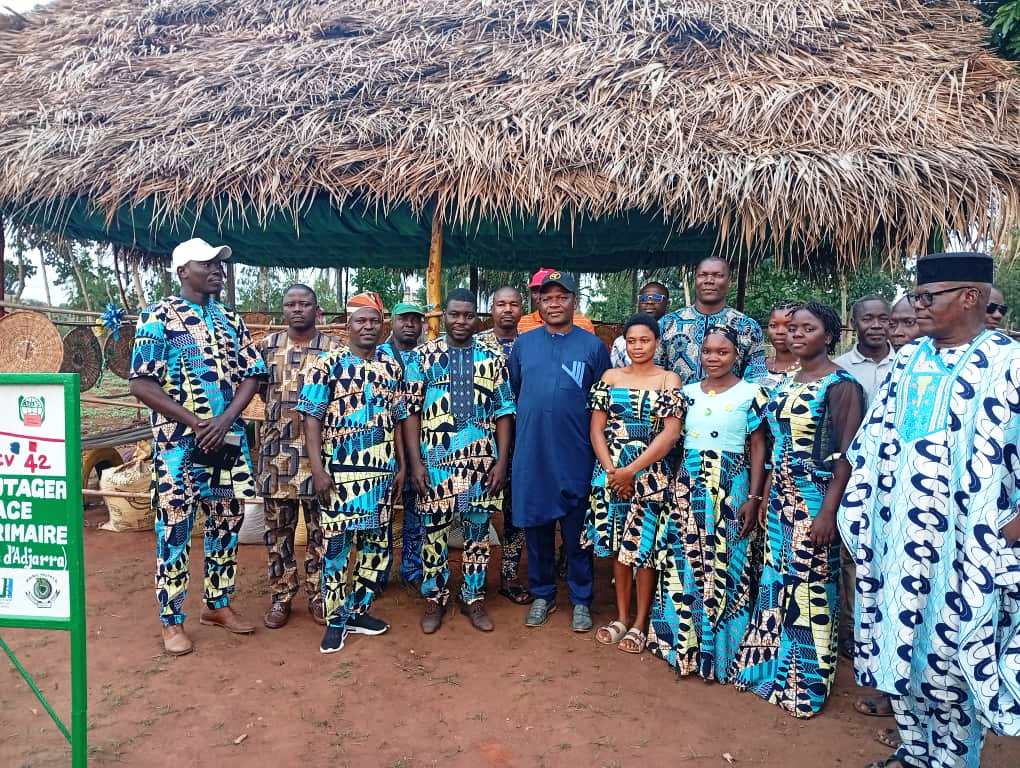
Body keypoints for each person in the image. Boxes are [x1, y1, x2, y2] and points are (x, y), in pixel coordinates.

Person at [838, 252, 1020, 768]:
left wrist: (1011, 527)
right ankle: (915, 752)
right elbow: (872, 442)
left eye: (926, 297)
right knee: (899, 650)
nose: (916, 306)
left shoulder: (1010, 362)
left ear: (969, 296)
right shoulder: (907, 360)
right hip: (897, 539)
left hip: (968, 546)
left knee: (953, 660)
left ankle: (953, 760)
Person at [129, 238, 266, 656]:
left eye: (219, 264)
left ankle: (217, 604)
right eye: (206, 264)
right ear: (182, 271)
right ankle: (171, 620)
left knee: (226, 520)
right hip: (178, 446)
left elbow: (253, 373)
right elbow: (141, 384)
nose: (217, 270)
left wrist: (224, 421)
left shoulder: (230, 319)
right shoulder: (157, 317)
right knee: (175, 526)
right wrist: (194, 422)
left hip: (227, 442)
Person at [733, 302, 864, 718]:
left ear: (829, 335)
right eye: (793, 328)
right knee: (776, 582)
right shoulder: (788, 380)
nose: (797, 335)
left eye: (808, 328)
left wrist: (828, 513)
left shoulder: (841, 385)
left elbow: (847, 456)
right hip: (779, 499)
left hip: (814, 499)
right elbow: (775, 444)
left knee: (810, 588)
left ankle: (805, 683)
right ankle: (771, 672)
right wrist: (762, 496)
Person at [648, 325, 767, 680]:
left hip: (732, 486)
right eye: (707, 352)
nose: (713, 358)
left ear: (737, 355)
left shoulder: (752, 393)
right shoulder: (685, 393)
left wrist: (754, 497)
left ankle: (723, 653)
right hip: (689, 486)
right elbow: (669, 440)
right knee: (685, 561)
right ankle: (682, 647)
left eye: (722, 352)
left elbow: (758, 446)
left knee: (729, 561)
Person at [295, 292, 407, 654]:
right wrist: (317, 467)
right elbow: (311, 418)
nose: (368, 327)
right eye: (361, 321)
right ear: (348, 325)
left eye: (374, 321)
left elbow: (399, 419)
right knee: (337, 548)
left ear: (382, 325)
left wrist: (402, 464)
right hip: (339, 473)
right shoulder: (326, 364)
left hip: (382, 473)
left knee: (377, 547)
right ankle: (335, 619)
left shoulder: (391, 367)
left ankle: (358, 611)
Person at [404, 289, 516, 633]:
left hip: (481, 464)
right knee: (434, 532)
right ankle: (434, 598)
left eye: (468, 315)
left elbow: (504, 411)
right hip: (436, 463)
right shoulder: (423, 357)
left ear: (476, 318)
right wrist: (416, 464)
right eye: (454, 314)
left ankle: (473, 597)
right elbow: (410, 412)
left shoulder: (492, 357)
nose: (461, 321)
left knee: (477, 531)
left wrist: (502, 462)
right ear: (444, 317)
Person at [510, 270, 611, 631]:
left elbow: (602, 400)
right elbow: (517, 389)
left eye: (562, 297)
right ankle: (543, 594)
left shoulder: (593, 347)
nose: (554, 304)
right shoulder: (524, 345)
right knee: (537, 529)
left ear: (574, 301)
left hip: (576, 454)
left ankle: (581, 599)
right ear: (538, 302)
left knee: (577, 533)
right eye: (547, 297)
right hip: (533, 452)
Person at [586, 314, 683, 653]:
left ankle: (641, 623)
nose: (638, 347)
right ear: (623, 344)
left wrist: (631, 472)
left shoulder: (669, 379)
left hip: (650, 475)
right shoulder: (611, 377)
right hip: (611, 474)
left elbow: (670, 434)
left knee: (643, 551)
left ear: (657, 342)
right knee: (619, 547)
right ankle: (621, 617)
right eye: (632, 341)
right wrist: (613, 471)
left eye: (645, 340)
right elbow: (596, 429)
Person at [258, 284, 342, 629]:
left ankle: (319, 595)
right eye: (290, 304)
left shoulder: (334, 350)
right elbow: (261, 392)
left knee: (322, 532)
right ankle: (281, 596)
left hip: (319, 457)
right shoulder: (267, 347)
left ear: (316, 309)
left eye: (304, 304)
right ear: (283, 309)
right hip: (276, 455)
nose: (297, 309)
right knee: (277, 533)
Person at [477, 286, 532, 604]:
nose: (507, 309)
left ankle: (509, 575)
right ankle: (474, 577)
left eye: (513, 304)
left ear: (522, 308)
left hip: (523, 442)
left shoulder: (531, 345)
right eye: (501, 304)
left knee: (515, 511)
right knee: (479, 512)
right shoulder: (476, 344)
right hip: (481, 443)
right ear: (491, 308)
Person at [377, 301, 427, 592]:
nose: (409, 324)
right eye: (403, 319)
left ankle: (412, 568)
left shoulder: (426, 357)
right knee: (382, 512)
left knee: (417, 509)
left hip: (421, 446)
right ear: (392, 322)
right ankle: (378, 572)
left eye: (415, 320)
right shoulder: (378, 355)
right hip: (385, 448)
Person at [658, 257, 768, 385]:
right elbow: (654, 371)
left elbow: (757, 377)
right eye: (702, 275)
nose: (709, 281)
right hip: (674, 397)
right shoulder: (667, 324)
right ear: (695, 279)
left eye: (718, 275)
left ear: (729, 281)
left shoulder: (748, 327)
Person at [834, 295, 894, 404]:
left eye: (883, 319)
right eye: (867, 319)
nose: (876, 325)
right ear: (853, 323)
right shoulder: (838, 368)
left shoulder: (906, 362)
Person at [517, 267, 597, 334]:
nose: (539, 296)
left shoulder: (584, 323)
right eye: (535, 292)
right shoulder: (521, 323)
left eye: (561, 297)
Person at [610, 282, 671, 367]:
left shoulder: (677, 337)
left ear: (668, 304)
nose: (649, 302)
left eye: (656, 298)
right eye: (644, 298)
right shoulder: (621, 343)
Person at [762, 301, 800, 390]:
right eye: (773, 325)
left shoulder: (815, 372)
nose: (779, 332)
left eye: (789, 326)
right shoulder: (753, 367)